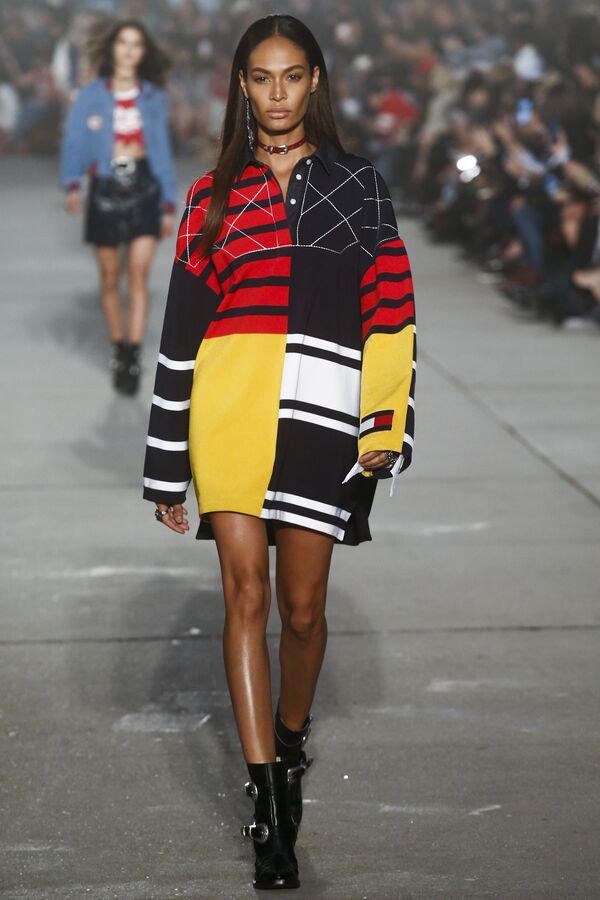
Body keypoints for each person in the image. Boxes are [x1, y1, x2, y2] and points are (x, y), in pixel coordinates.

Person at [142, 13, 416, 891]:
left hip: (320, 418)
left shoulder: (360, 187)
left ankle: (290, 742)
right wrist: (165, 461)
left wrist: (384, 424)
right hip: (229, 416)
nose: (276, 94)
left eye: (292, 76)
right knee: (246, 595)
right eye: (260, 78)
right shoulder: (210, 198)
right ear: (241, 86)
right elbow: (181, 335)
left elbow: (391, 315)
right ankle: (266, 805)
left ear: (315, 81)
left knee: (301, 610)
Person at [59, 19, 178, 395]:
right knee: (110, 277)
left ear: (143, 53)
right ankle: (118, 348)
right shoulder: (91, 95)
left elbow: (161, 149)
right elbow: (75, 140)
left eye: (136, 44)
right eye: (123, 42)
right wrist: (72, 182)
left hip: (145, 187)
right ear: (112, 48)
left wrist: (168, 201)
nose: (128, 50)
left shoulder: (153, 97)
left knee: (138, 275)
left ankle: (134, 353)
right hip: (105, 189)